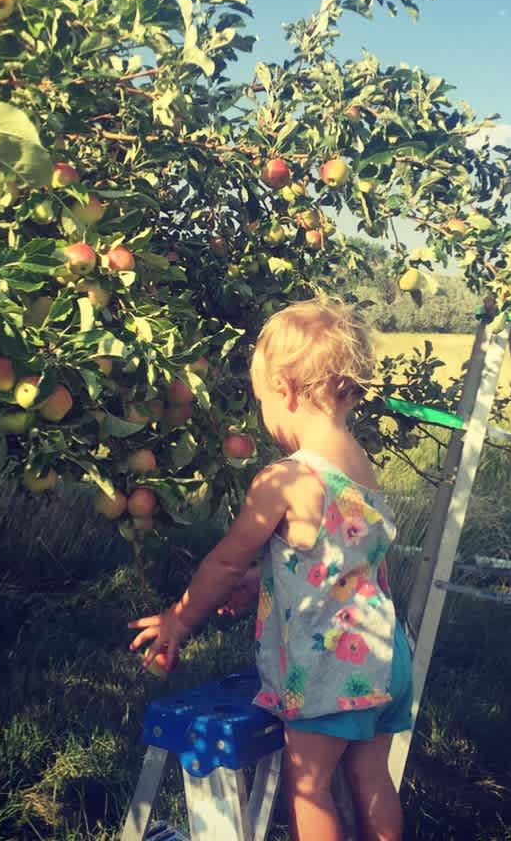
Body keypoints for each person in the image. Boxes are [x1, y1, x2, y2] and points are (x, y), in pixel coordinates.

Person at [128, 299, 412, 841]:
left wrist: (179, 620)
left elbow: (226, 558)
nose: (265, 418)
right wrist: (267, 580)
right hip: (388, 654)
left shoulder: (284, 479)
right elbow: (348, 562)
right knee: (372, 776)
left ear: (283, 389)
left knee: (311, 787)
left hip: (330, 666)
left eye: (263, 402)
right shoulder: (361, 468)